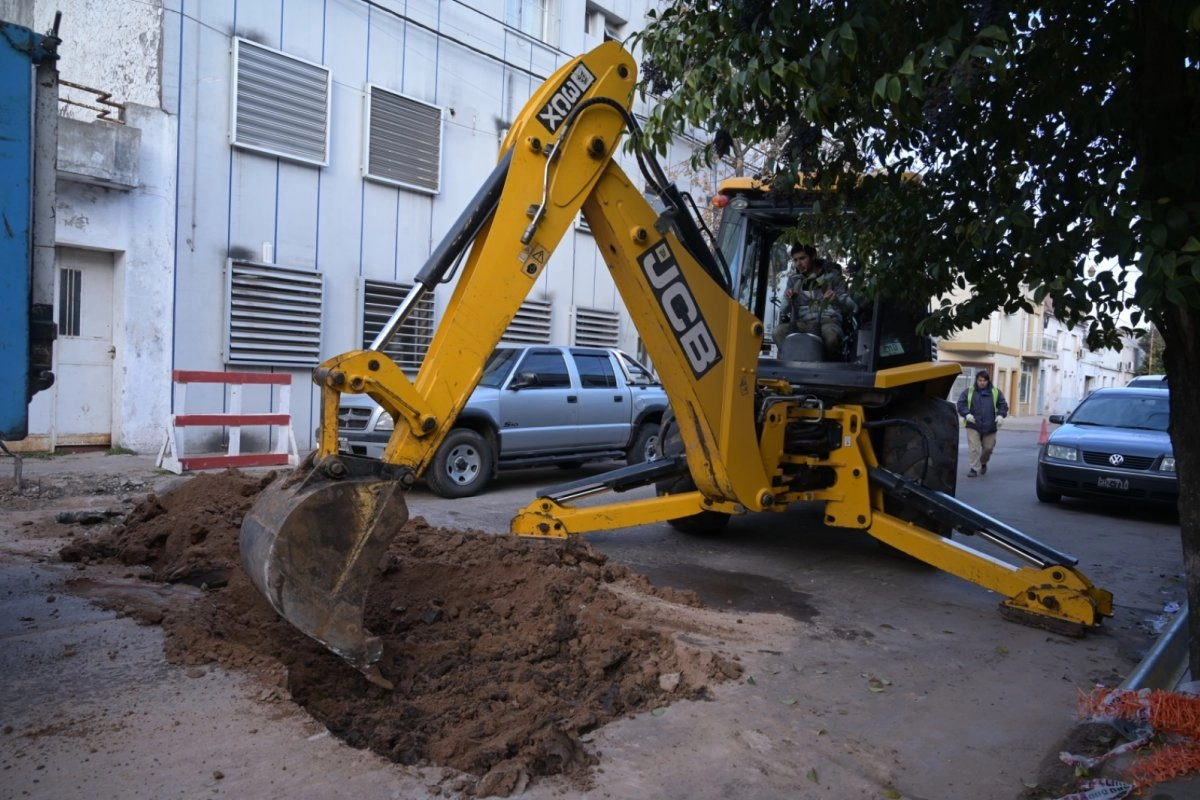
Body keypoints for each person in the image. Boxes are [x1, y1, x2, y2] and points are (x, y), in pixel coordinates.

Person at [772, 243, 856, 358]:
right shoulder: (794, 280)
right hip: (802, 323)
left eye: (802, 258)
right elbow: (783, 309)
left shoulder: (833, 277)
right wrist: (788, 298)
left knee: (832, 339)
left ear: (813, 256)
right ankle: (790, 361)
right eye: (795, 260)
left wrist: (836, 300)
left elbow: (851, 307)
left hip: (828, 322)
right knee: (778, 332)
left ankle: (825, 366)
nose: (798, 264)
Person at [956, 369, 1009, 477]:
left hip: (990, 425)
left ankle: (983, 462)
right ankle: (974, 469)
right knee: (974, 448)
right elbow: (961, 404)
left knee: (988, 448)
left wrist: (1000, 415)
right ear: (976, 380)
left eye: (984, 380)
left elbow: (1003, 405)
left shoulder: (996, 392)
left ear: (988, 381)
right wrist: (967, 414)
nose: (982, 383)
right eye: (980, 380)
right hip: (973, 424)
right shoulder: (969, 392)